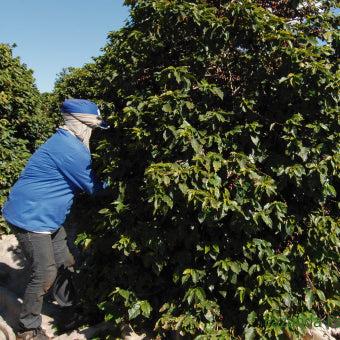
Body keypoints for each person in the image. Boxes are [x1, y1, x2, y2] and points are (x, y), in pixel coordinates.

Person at [2, 99, 110, 340]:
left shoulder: (68, 141)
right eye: (91, 127)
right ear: (80, 124)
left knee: (65, 261)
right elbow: (94, 188)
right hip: (31, 216)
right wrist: (124, 181)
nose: (92, 132)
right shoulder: (70, 149)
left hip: (48, 216)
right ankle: (28, 328)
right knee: (44, 272)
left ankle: (70, 311)